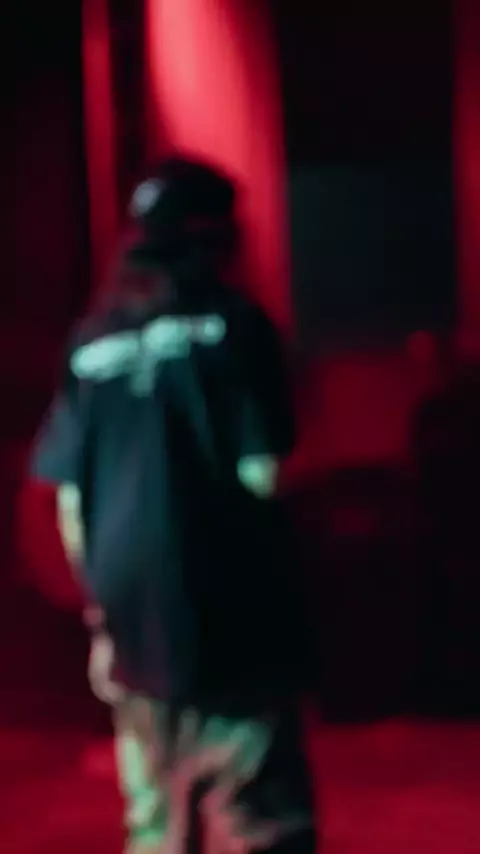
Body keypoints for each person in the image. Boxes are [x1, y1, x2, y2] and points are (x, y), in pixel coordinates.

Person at [32, 156, 316, 854]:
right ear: (218, 235)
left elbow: (69, 501)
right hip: (229, 618)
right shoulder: (235, 325)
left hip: (132, 624)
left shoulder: (91, 339)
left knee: (157, 822)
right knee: (257, 817)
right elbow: (263, 472)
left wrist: (103, 613)